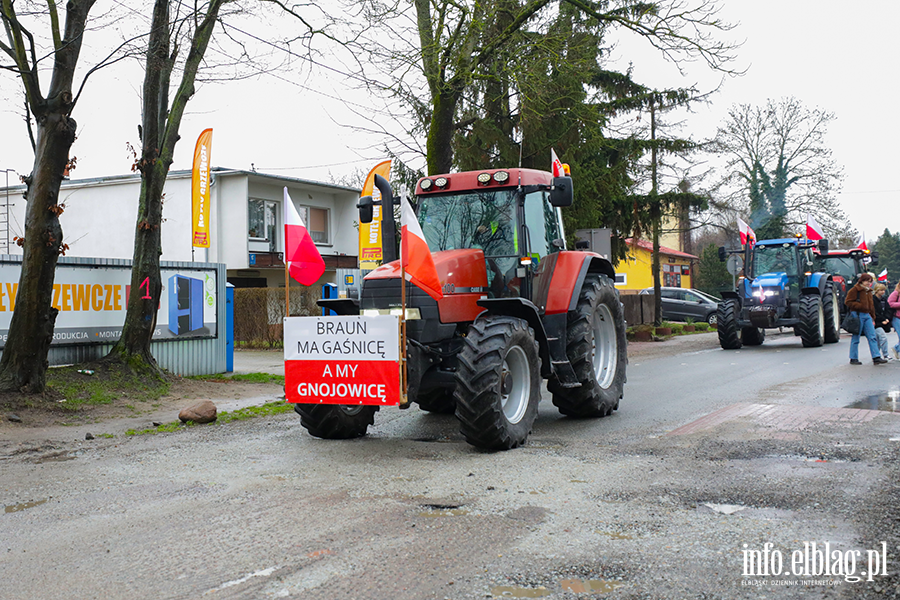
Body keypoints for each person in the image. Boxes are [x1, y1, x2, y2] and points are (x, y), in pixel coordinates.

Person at [845, 273, 886, 365]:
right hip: (858, 314)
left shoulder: (869, 291)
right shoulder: (855, 290)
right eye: (867, 281)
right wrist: (859, 306)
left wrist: (872, 316)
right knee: (856, 337)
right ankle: (853, 357)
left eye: (870, 281)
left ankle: (876, 357)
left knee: (872, 337)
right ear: (862, 281)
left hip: (867, 315)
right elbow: (848, 301)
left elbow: (871, 305)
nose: (869, 283)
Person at [873, 283, 893, 361]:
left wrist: (887, 318)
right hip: (877, 323)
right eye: (881, 290)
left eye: (884, 290)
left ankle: (876, 355)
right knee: (883, 337)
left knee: (878, 339)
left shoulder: (884, 300)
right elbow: (874, 312)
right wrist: (883, 319)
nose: (883, 292)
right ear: (877, 290)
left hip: (883, 321)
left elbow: (888, 309)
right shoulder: (873, 300)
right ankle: (885, 354)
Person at [888, 281, 900, 360]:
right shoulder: (896, 293)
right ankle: (896, 348)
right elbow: (890, 303)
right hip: (897, 318)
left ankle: (896, 348)